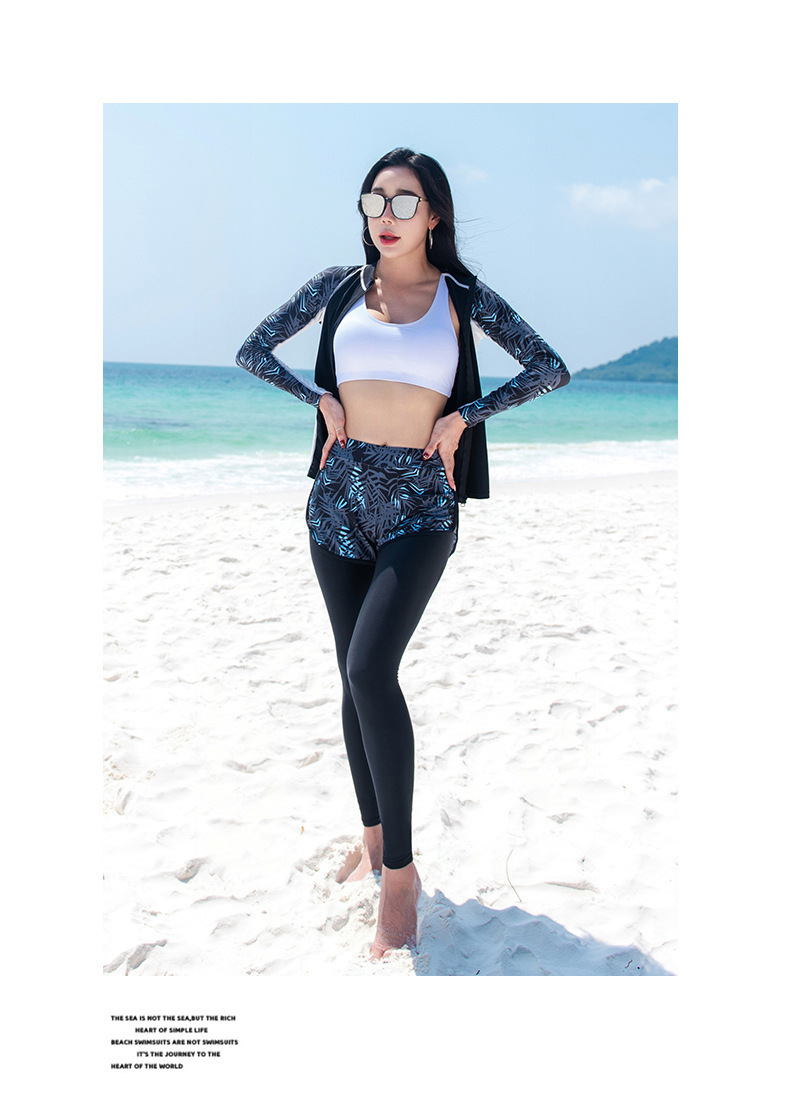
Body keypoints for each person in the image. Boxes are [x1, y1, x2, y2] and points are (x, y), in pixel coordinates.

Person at [236, 147, 570, 959]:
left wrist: (464, 417)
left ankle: (401, 874)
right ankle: (373, 834)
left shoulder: (460, 298)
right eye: (374, 200)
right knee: (350, 672)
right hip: (339, 496)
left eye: (404, 201)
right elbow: (253, 349)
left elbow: (549, 368)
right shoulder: (337, 288)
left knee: (369, 668)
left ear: (435, 214)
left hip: (421, 500)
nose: (385, 217)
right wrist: (317, 396)